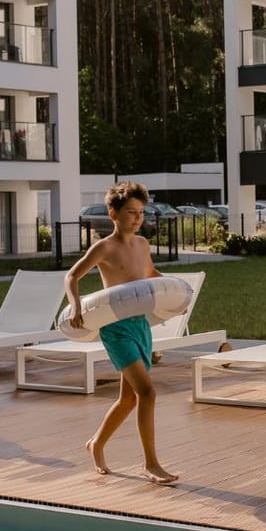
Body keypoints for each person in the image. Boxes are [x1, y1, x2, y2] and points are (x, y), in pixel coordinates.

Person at [64, 181, 178, 483]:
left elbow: (150, 275)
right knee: (147, 392)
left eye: (141, 212)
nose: (137, 218)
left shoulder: (142, 244)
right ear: (113, 214)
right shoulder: (104, 247)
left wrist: (175, 297)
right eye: (130, 212)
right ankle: (151, 464)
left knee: (129, 399)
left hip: (140, 325)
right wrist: (76, 307)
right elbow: (72, 276)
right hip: (116, 329)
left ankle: (96, 443)